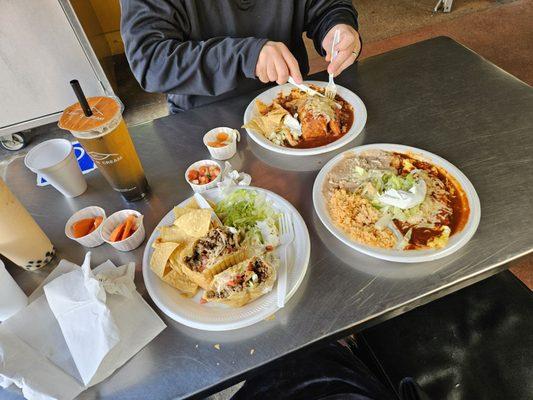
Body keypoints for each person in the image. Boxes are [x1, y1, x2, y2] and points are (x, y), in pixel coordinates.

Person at [120, 0, 361, 113]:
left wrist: (337, 25)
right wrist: (246, 55)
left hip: (293, 99)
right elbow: (151, 62)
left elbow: (326, 6)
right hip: (206, 115)